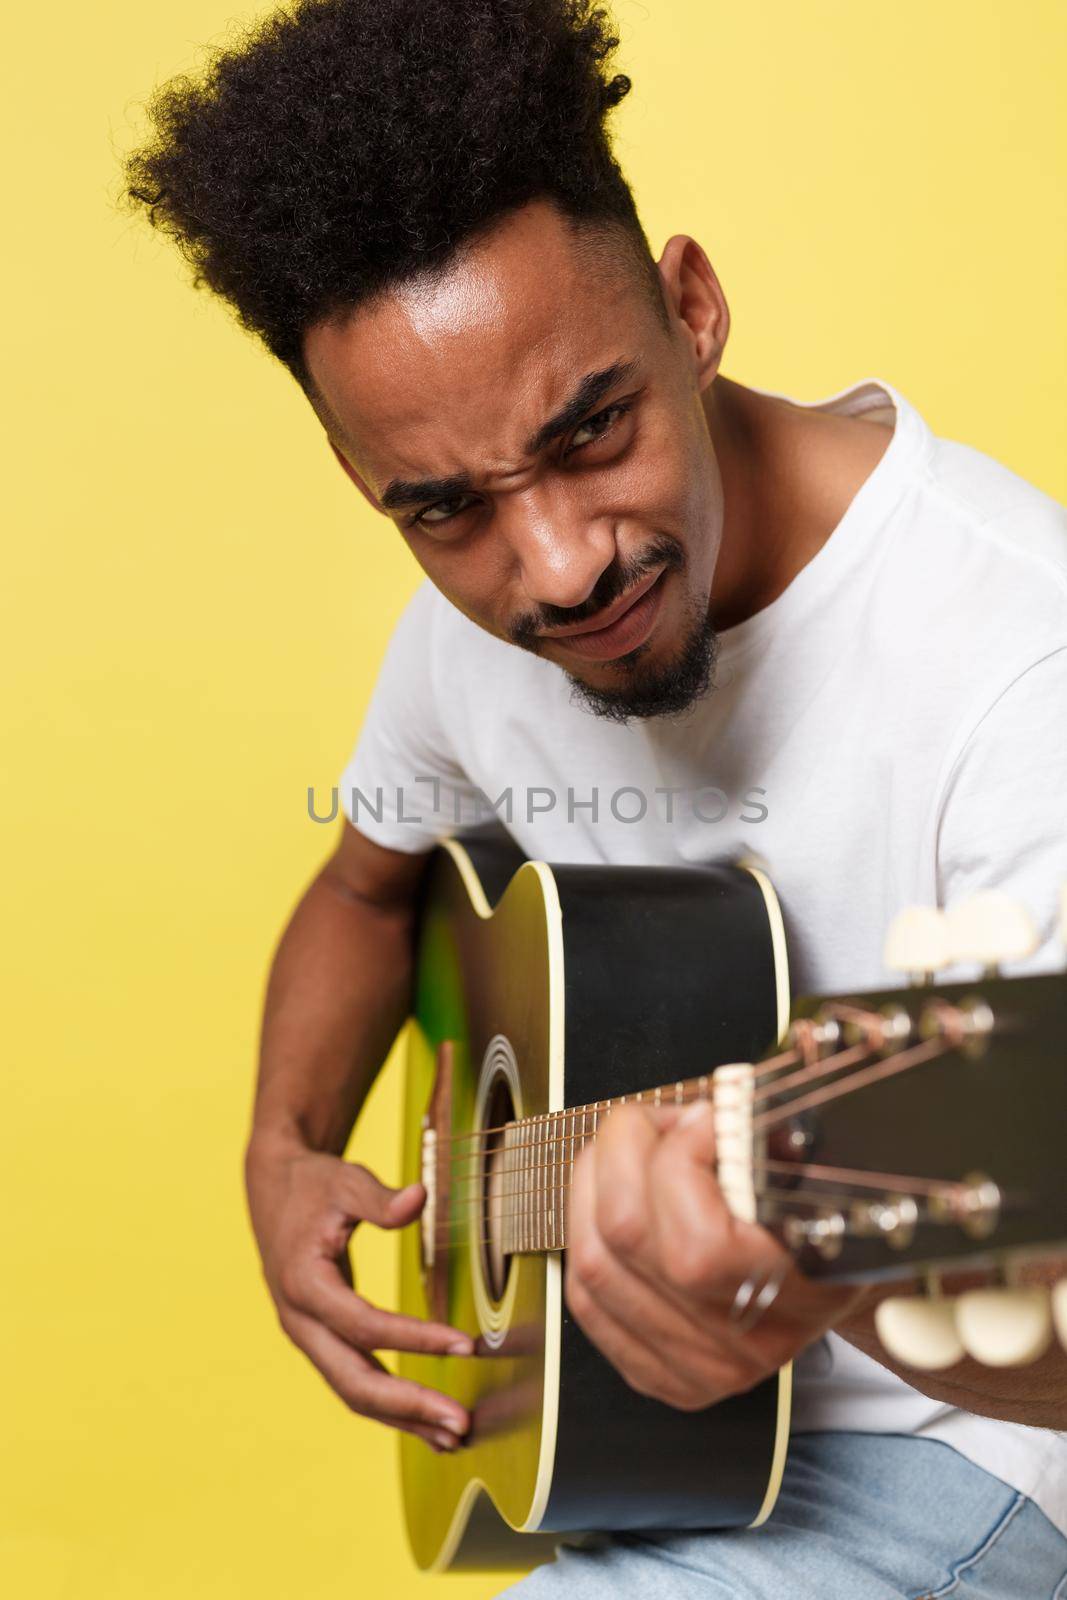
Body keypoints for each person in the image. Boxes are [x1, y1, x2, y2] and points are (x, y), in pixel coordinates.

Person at [122, 1, 1067, 1592]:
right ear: (373, 486)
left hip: (959, 1468)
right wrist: (282, 1149)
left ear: (692, 307)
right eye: (444, 509)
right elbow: (364, 887)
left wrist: (823, 1272)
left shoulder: (1014, 663)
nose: (557, 565)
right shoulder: (463, 636)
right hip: (620, 1438)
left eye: (592, 432)